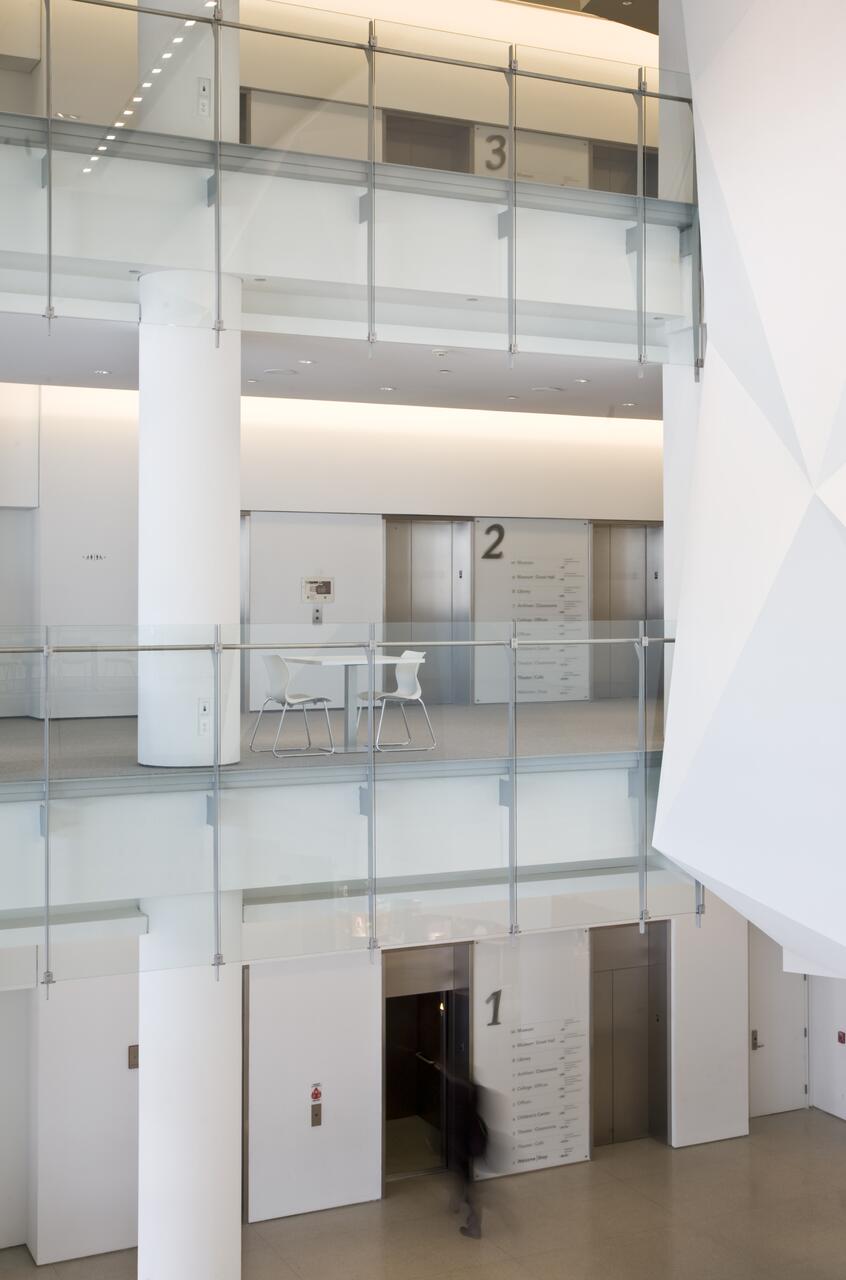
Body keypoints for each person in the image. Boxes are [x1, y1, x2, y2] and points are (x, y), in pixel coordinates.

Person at [447, 1071, 488, 1239]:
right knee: (463, 1176)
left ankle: (474, 1227)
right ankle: (456, 1202)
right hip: (473, 1143)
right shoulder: (474, 1089)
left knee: (468, 1183)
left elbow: (458, 1124)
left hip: (463, 1145)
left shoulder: (457, 1092)